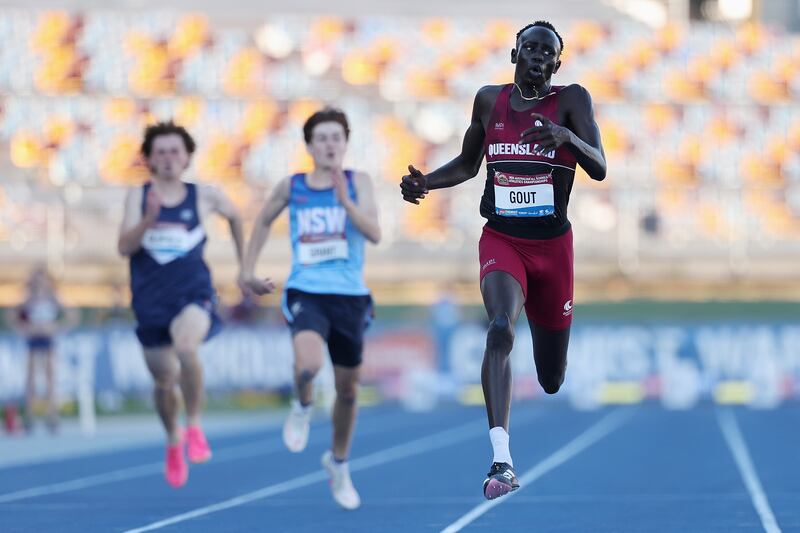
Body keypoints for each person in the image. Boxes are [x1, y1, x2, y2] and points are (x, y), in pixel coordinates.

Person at [400, 21, 607, 500]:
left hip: (553, 250)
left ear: (557, 63)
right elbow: (469, 164)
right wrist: (426, 183)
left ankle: (542, 371)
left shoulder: (572, 100)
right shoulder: (488, 101)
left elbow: (599, 165)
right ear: (515, 52)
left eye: (547, 52)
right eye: (529, 48)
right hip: (503, 240)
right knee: (499, 328)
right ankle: (502, 458)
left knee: (552, 378)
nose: (536, 56)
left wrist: (567, 139)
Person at [240, 107, 380, 510]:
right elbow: (263, 220)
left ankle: (338, 462)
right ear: (309, 146)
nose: (330, 145)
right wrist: (247, 270)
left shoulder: (359, 182)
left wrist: (345, 202)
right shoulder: (293, 186)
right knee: (307, 366)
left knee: (348, 390)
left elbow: (374, 233)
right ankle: (301, 405)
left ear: (346, 143)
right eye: (322, 138)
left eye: (337, 137)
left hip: (350, 296)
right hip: (307, 289)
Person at [117, 121, 245, 488]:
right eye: (161, 152)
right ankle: (173, 437)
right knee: (163, 382)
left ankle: (194, 426)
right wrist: (148, 220)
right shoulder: (138, 196)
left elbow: (236, 217)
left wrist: (244, 266)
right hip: (150, 300)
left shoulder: (203, 195)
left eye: (175, 151)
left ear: (187, 156)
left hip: (193, 292)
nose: (169, 158)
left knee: (187, 348)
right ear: (149, 159)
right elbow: (124, 247)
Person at [11, 266, 69, 433]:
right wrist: (25, 328)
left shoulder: (53, 297)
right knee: (31, 379)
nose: (40, 282)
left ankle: (52, 415)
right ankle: (29, 416)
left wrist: (57, 327)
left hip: (48, 339)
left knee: (50, 378)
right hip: (33, 339)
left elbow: (72, 315)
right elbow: (12, 316)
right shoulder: (27, 298)